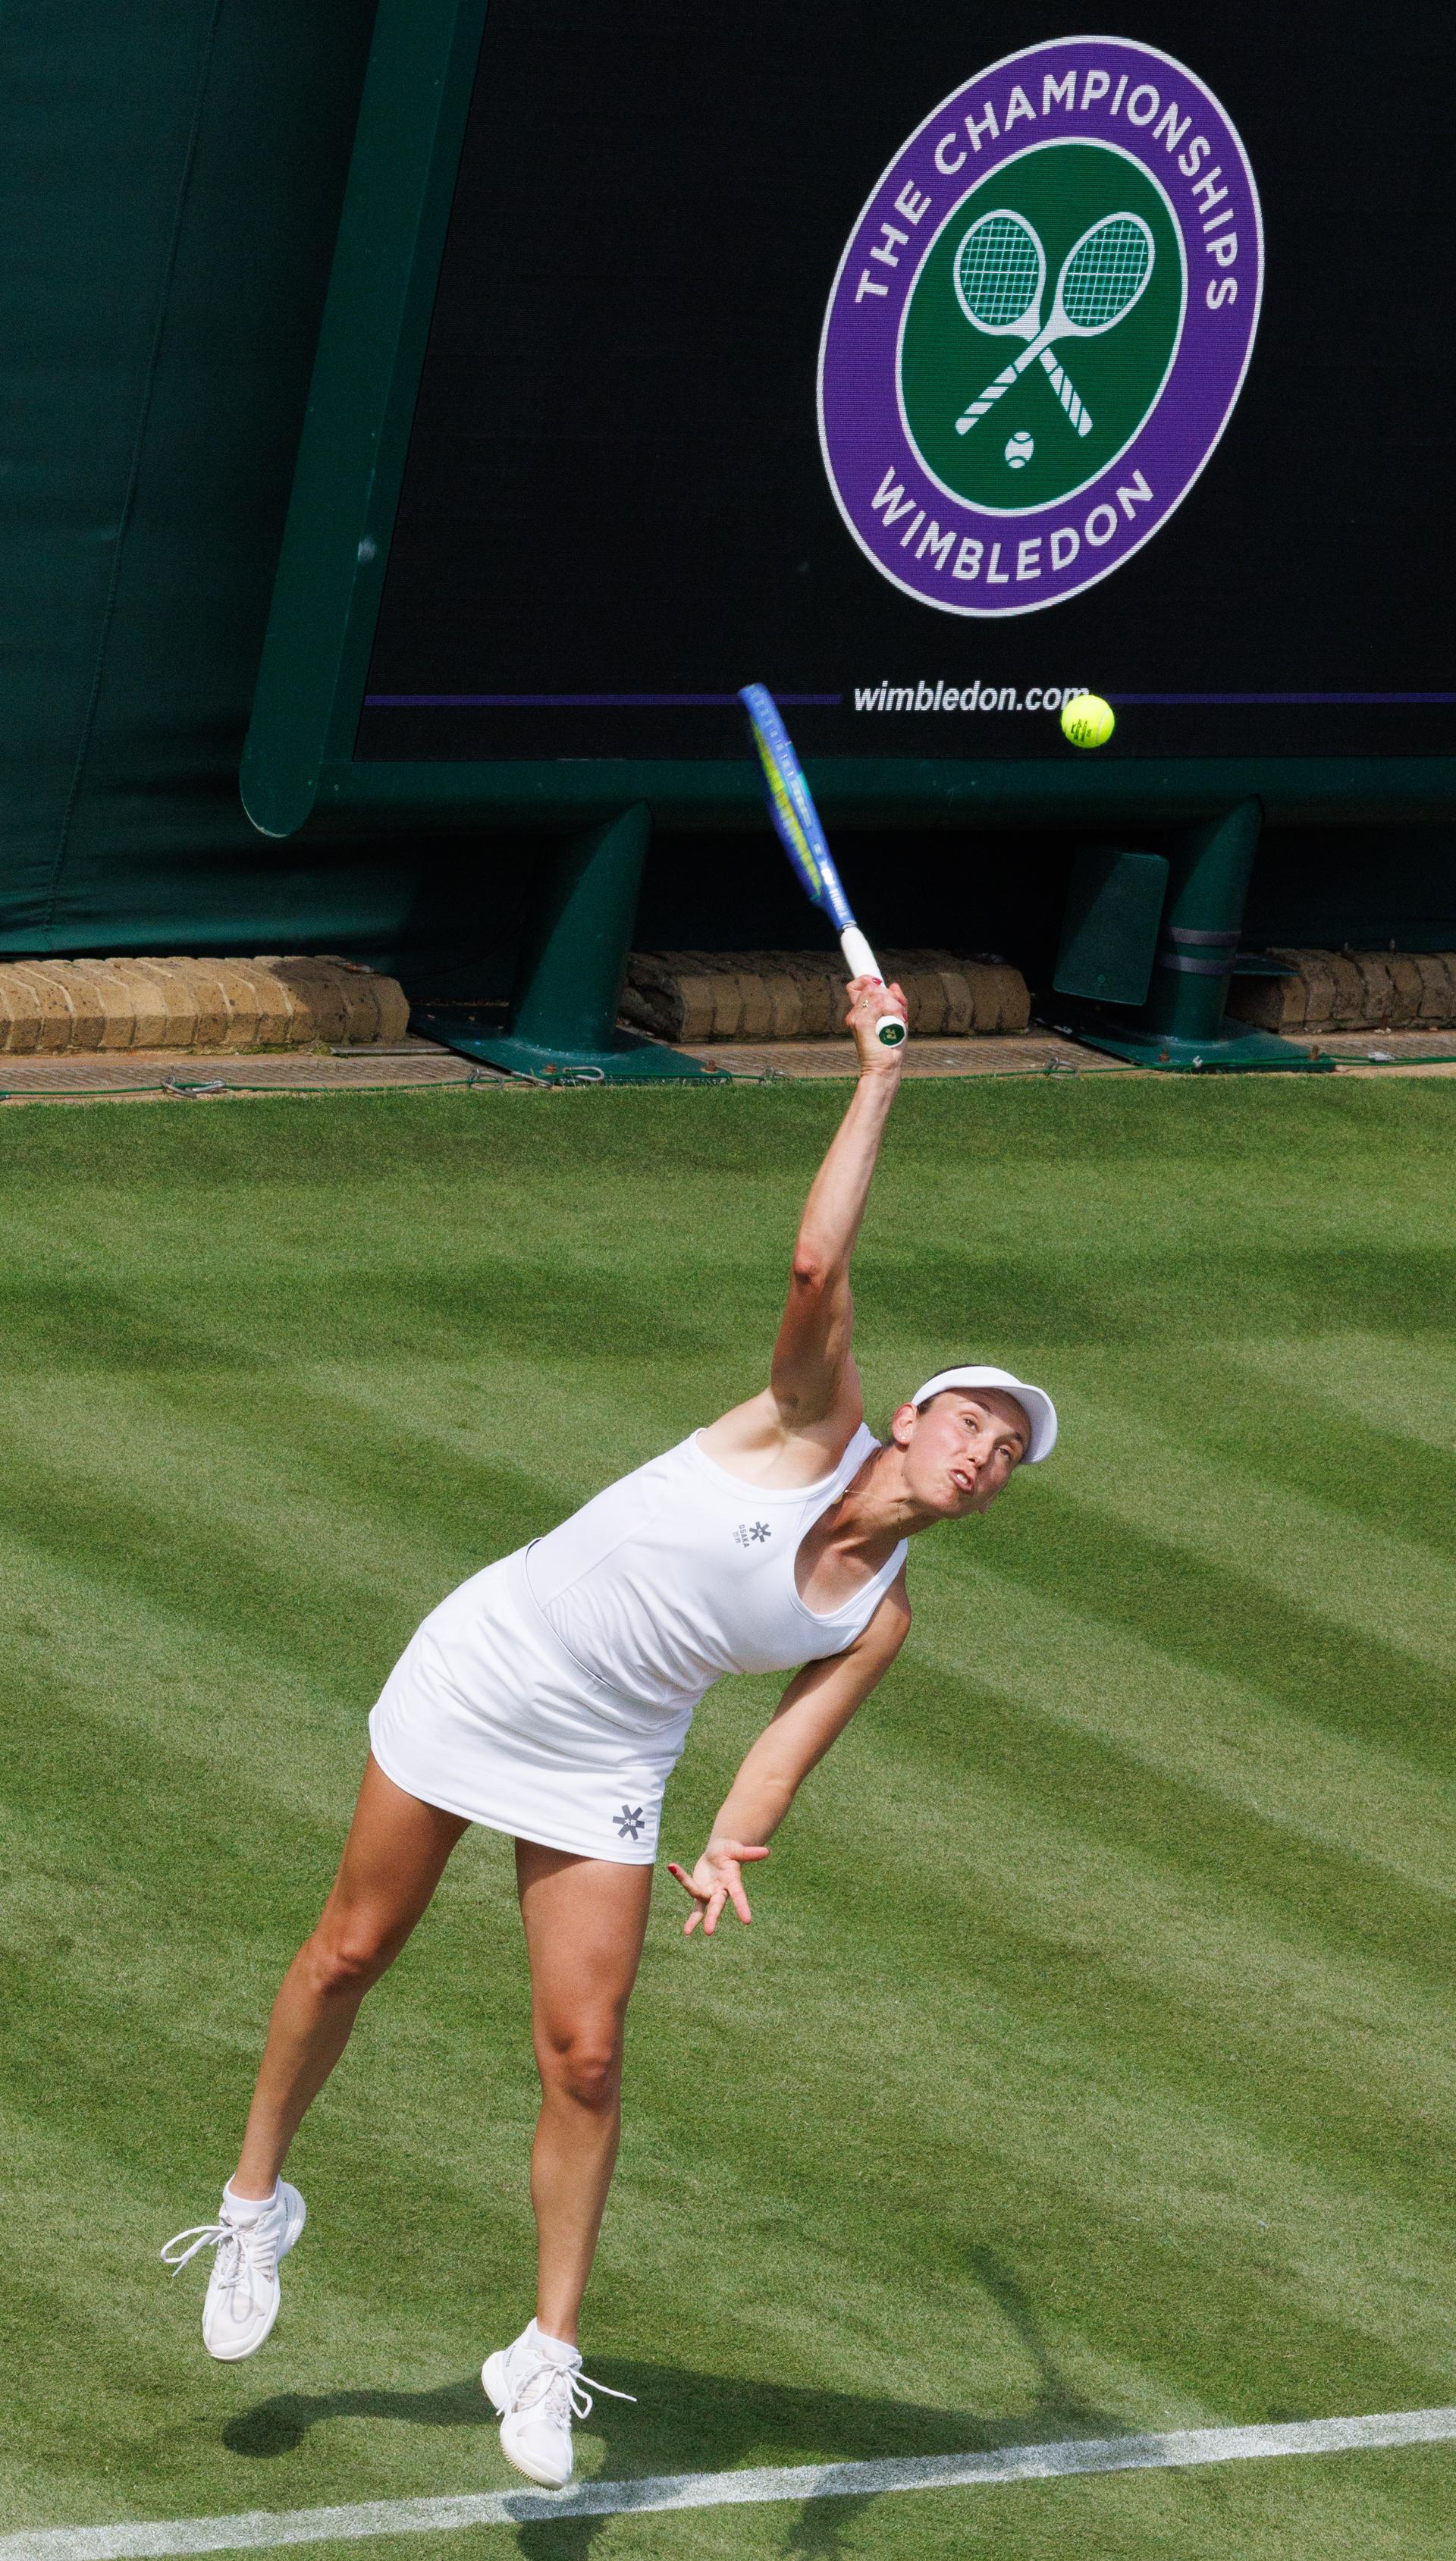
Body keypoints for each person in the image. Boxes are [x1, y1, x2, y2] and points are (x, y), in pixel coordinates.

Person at [162, 975, 1057, 2488]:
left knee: (585, 2059)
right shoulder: (801, 1415)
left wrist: (728, 1838)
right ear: (909, 1415)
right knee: (350, 1953)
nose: (986, 1453)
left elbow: (780, 1747)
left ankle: (547, 2354)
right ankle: (257, 2202)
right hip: (484, 1672)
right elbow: (815, 1256)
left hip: (607, 1765)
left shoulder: (883, 1614)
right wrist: (878, 1075)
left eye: (1010, 1454)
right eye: (974, 1421)